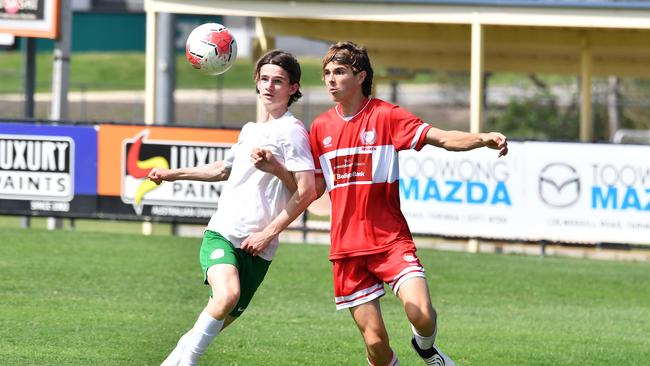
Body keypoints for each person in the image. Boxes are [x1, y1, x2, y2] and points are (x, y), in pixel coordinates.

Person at [308, 41, 508, 366]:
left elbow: (441, 138)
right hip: (347, 250)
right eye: (327, 73)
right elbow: (312, 189)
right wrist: (275, 169)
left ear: (360, 77)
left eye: (339, 72)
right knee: (375, 344)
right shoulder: (319, 128)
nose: (331, 79)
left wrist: (481, 138)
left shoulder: (386, 116)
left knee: (423, 314)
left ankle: (426, 349)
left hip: (389, 241)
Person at [150, 50, 316, 366]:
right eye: (265, 79)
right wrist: (174, 174)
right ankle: (188, 362)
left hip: (259, 247)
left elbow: (305, 191)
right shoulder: (250, 130)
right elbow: (224, 169)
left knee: (219, 316)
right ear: (256, 81)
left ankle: (175, 360)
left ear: (293, 88)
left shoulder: (293, 132)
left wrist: (276, 174)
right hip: (223, 233)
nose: (269, 86)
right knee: (226, 296)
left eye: (278, 81)